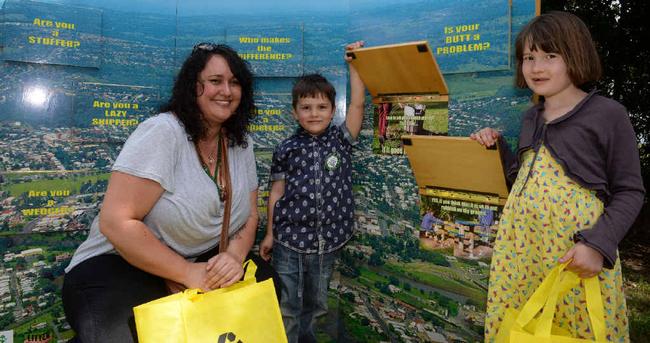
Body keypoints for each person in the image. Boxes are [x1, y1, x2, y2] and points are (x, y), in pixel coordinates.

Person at [62, 43, 275, 342]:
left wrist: (233, 256)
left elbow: (250, 214)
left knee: (267, 285)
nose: (226, 91)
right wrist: (187, 273)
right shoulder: (163, 132)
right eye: (215, 81)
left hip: (201, 257)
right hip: (118, 262)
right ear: (193, 87)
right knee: (124, 333)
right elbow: (116, 223)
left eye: (235, 82)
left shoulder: (240, 142)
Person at [470, 12, 644, 342]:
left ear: (575, 55)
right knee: (520, 327)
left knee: (577, 329)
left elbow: (630, 190)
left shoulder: (608, 115)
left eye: (550, 56)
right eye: (529, 58)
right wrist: (497, 147)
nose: (537, 67)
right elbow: (522, 180)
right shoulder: (529, 118)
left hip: (574, 252)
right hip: (520, 252)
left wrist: (597, 244)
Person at [259, 41, 366, 343]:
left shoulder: (341, 140)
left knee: (317, 305)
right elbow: (276, 194)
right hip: (289, 242)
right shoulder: (286, 148)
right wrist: (270, 234)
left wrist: (355, 65)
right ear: (294, 113)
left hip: (327, 242)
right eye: (306, 108)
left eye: (322, 107)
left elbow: (357, 104)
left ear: (333, 111)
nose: (314, 114)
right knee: (287, 305)